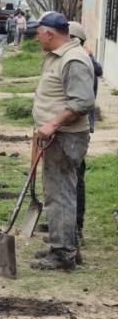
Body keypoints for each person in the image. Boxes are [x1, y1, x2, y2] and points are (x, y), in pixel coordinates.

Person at [30, 12, 95, 271]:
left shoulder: (73, 60)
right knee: (57, 193)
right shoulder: (59, 56)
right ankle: (63, 246)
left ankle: (64, 254)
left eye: (39, 32)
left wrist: (53, 123)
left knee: (61, 195)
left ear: (49, 33)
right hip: (57, 137)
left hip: (65, 137)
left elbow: (82, 102)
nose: (36, 36)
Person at [68, 21, 103, 243]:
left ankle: (76, 228)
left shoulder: (81, 61)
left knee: (75, 177)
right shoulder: (84, 58)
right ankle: (68, 224)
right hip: (76, 127)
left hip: (76, 128)